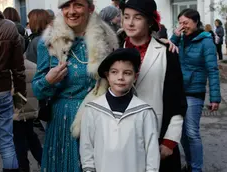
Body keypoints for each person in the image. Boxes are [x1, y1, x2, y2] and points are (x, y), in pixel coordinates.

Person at [32, 0, 118, 171]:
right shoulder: (49, 42)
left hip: (98, 119)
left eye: (78, 5)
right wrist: (48, 81)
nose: (71, 11)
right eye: (66, 6)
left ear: (90, 8)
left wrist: (164, 42)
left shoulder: (106, 40)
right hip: (62, 125)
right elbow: (37, 90)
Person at [118, 0, 187, 171]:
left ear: (150, 22)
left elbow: (177, 101)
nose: (130, 23)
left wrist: (170, 141)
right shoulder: (114, 50)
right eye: (126, 17)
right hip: (120, 137)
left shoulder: (166, 53)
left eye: (137, 17)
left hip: (156, 134)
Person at [80, 48, 160, 172]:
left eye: (127, 73)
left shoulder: (144, 112)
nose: (120, 77)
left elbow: (152, 151)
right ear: (107, 75)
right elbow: (86, 147)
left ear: (135, 76)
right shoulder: (93, 109)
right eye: (114, 72)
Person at [171, 8, 221, 172]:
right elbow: (169, 52)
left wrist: (215, 97)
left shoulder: (206, 41)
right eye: (180, 23)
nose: (182, 26)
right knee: (182, 133)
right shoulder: (182, 38)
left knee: (192, 132)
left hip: (194, 91)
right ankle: (191, 164)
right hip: (179, 90)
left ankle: (196, 169)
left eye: (185, 22)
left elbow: (213, 69)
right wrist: (175, 37)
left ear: (195, 21)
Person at [0, 8, 26, 172]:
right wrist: (20, 97)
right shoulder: (8, 27)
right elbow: (18, 69)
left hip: (3, 90)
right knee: (6, 141)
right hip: (2, 90)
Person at [13, 57, 43, 172]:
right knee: (31, 136)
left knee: (18, 139)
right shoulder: (34, 66)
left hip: (16, 110)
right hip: (31, 108)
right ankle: (42, 159)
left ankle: (23, 166)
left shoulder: (11, 67)